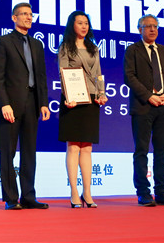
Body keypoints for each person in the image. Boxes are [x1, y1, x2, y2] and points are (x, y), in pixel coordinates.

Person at [0, 2, 51, 210]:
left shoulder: (37, 44)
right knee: (8, 151)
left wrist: (43, 103)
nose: (28, 17)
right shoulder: (3, 42)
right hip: (11, 104)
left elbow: (41, 76)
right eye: (24, 14)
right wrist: (4, 103)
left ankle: (28, 196)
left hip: (33, 102)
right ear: (14, 18)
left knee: (29, 151)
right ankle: (10, 198)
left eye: (31, 14)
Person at [123, 14, 164, 207]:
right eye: (148, 26)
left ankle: (162, 192)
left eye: (155, 26)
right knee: (142, 151)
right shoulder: (133, 50)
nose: (153, 29)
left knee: (162, 151)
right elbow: (129, 77)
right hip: (143, 106)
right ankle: (143, 193)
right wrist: (149, 96)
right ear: (140, 29)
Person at [58, 11, 107, 208]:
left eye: (86, 23)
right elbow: (63, 73)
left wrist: (102, 93)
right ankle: (74, 192)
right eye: (80, 23)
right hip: (73, 99)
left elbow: (98, 74)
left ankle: (87, 192)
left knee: (87, 147)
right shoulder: (65, 47)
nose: (84, 26)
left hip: (92, 99)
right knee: (73, 146)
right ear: (73, 25)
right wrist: (68, 96)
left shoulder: (94, 48)